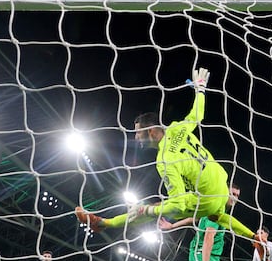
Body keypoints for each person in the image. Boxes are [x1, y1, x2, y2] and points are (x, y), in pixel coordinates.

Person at [75, 68, 256, 243]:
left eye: (138, 132)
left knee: (151, 209)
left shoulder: (165, 160)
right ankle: (254, 237)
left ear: (152, 131)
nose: (136, 137)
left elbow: (177, 205)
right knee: (215, 214)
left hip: (207, 197)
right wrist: (200, 89)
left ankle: (105, 223)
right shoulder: (177, 127)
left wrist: (148, 211)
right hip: (221, 187)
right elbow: (197, 114)